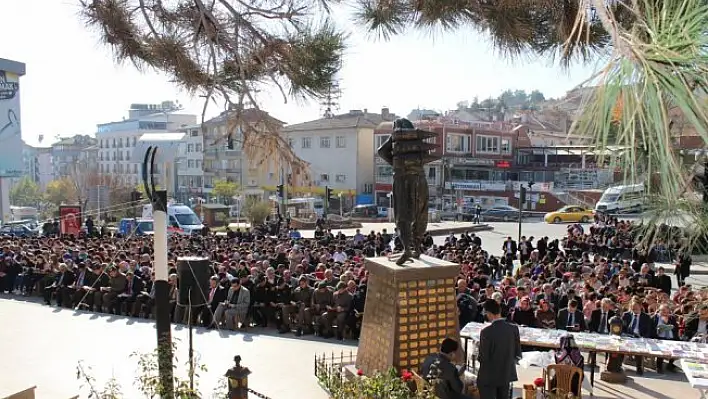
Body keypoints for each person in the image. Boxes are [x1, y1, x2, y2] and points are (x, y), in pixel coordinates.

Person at [477, 299, 521, 399]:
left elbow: (483, 357)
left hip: (489, 376)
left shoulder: (486, 332)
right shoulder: (513, 329)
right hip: (506, 374)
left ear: (488, 313)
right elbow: (517, 353)